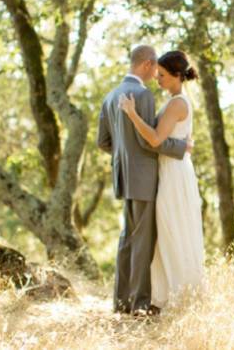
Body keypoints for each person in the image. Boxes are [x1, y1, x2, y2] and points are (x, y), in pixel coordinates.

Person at [96, 45, 191, 316]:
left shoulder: (110, 95)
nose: (157, 76)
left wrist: (125, 156)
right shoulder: (142, 95)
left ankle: (121, 301)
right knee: (142, 241)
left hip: (124, 177)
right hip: (145, 178)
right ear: (148, 64)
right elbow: (150, 140)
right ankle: (139, 303)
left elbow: (103, 142)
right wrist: (180, 147)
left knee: (128, 238)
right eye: (156, 70)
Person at [119, 50, 205, 310]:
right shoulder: (175, 100)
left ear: (178, 76)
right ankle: (168, 294)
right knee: (169, 230)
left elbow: (155, 139)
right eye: (158, 75)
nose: (158, 80)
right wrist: (180, 146)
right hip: (170, 169)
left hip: (174, 175)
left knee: (172, 229)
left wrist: (133, 115)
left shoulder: (178, 102)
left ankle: (180, 297)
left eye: (163, 76)